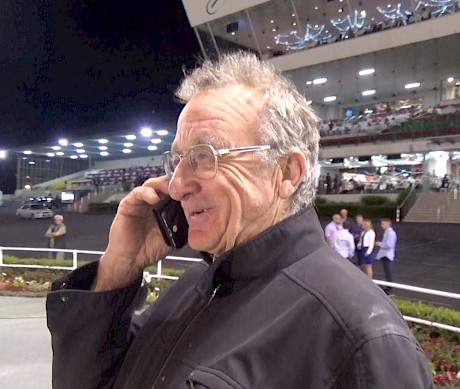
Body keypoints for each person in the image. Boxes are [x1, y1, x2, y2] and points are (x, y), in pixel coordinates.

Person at [46, 52, 431, 388]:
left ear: (286, 173)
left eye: (205, 156)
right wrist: (118, 268)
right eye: (178, 159)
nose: (177, 186)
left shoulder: (362, 339)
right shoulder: (194, 287)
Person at [376, 218, 398, 296]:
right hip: (385, 255)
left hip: (387, 255)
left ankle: (391, 290)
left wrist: (379, 244)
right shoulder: (387, 232)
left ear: (388, 224)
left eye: (383, 224)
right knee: (387, 272)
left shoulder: (391, 233)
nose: (382, 225)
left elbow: (389, 245)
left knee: (389, 273)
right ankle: (389, 288)